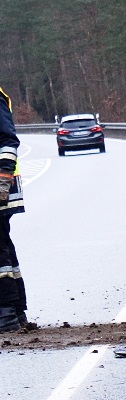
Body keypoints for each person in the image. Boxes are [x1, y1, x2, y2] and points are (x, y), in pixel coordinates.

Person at [0, 84, 27, 333]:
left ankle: (6, 313)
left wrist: (3, 180)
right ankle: (15, 311)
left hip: (1, 185)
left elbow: (8, 139)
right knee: (3, 245)